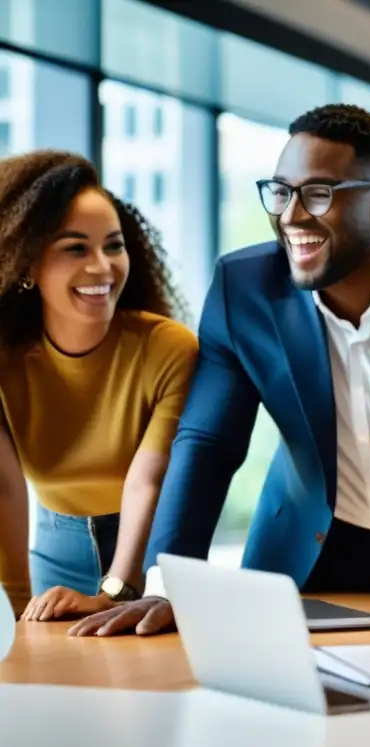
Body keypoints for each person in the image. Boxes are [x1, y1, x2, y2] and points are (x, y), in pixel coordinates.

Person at [69, 103, 370, 638]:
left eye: (320, 193)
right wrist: (169, 584)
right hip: (304, 549)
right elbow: (207, 445)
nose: (291, 215)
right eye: (281, 191)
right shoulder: (245, 289)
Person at [0, 150, 197, 619]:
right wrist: (17, 608)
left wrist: (114, 591)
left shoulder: (169, 348)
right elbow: (5, 488)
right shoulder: (5, 360)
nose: (102, 266)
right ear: (27, 264)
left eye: (113, 245)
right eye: (76, 248)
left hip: (147, 559)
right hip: (52, 554)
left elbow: (148, 480)